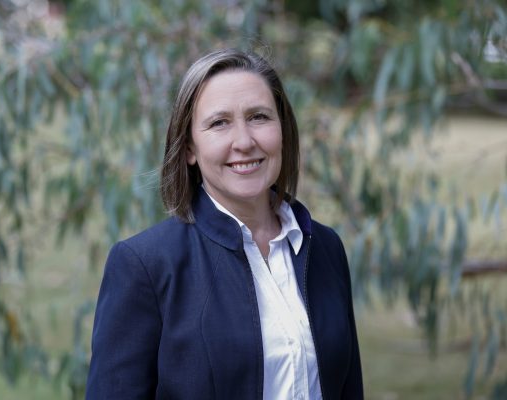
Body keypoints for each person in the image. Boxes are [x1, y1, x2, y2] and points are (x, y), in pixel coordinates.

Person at [86, 48, 363, 400]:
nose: (244, 142)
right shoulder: (146, 266)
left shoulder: (324, 247)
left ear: (282, 129)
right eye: (219, 123)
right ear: (189, 147)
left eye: (259, 117)